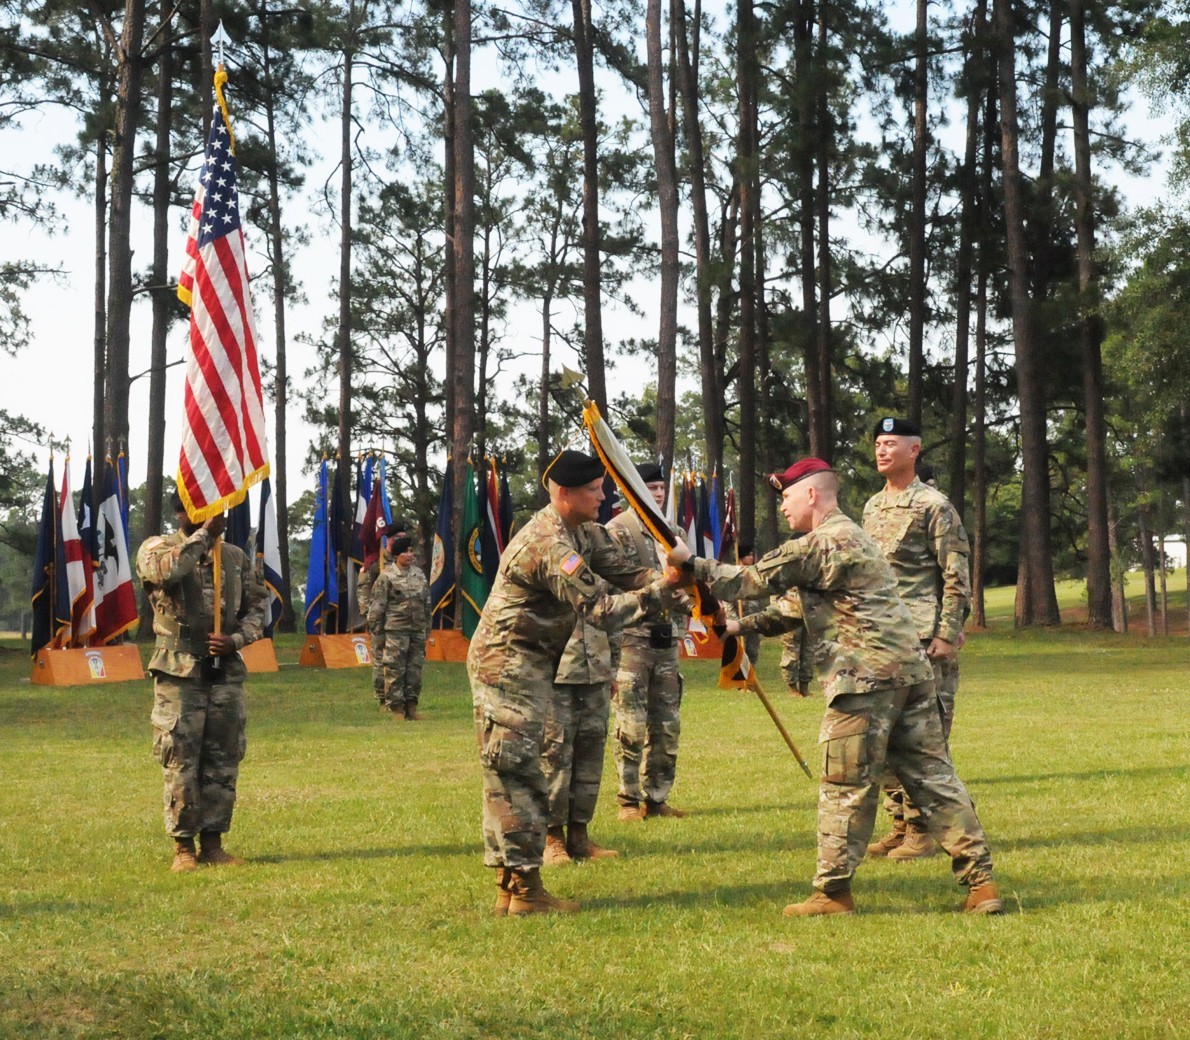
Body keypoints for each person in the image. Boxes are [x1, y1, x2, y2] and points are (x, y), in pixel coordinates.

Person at [669, 458, 1002, 917]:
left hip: (865, 681)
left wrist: (690, 563)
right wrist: (734, 630)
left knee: (844, 786)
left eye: (786, 497)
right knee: (936, 780)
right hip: (910, 675)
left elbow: (749, 579)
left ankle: (832, 893)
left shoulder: (825, 540)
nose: (782, 508)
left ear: (812, 495)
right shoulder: (848, 538)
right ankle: (981, 885)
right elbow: (790, 608)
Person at [468, 449, 686, 916]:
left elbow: (628, 573)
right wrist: (663, 591)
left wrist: (675, 577)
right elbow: (603, 610)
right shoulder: (549, 543)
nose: (605, 497)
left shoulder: (583, 532)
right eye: (594, 490)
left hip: (532, 660)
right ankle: (525, 889)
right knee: (518, 773)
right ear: (564, 494)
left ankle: (514, 886)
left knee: (516, 770)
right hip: (507, 664)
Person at [137, 492, 267, 873]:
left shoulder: (235, 557)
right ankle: (183, 847)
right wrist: (203, 537)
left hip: (224, 671)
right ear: (179, 512)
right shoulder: (157, 547)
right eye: (195, 509)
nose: (206, 515)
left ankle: (213, 843)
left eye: (212, 510)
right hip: (179, 671)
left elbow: (259, 606)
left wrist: (237, 639)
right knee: (180, 759)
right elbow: (166, 573)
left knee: (222, 760)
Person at [863, 417, 971, 860]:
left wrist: (947, 633)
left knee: (925, 739)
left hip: (926, 640)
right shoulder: (871, 506)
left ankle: (924, 831)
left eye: (891, 443)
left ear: (915, 450)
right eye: (878, 444)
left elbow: (956, 573)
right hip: (884, 639)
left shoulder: (934, 506)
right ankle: (900, 823)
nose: (882, 451)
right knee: (884, 737)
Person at [606, 462, 689, 821]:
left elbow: (688, 583)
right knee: (631, 724)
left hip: (666, 640)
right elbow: (614, 587)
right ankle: (628, 799)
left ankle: (657, 797)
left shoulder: (674, 532)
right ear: (631, 491)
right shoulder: (616, 532)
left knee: (666, 724)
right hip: (632, 639)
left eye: (660, 488)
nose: (656, 494)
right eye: (649, 488)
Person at [542, 617, 618, 865]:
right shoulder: (548, 576)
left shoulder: (603, 577)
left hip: (596, 674)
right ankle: (551, 838)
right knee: (555, 759)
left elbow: (613, 620)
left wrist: (613, 670)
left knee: (590, 758)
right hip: (556, 676)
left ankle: (579, 836)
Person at [367, 534, 431, 720]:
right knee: (395, 669)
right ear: (396, 555)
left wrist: (427, 625)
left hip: (417, 629)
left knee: (415, 669)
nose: (409, 555)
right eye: (405, 552)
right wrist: (376, 630)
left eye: (411, 551)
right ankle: (396, 710)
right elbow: (378, 605)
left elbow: (426, 602)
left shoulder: (419, 574)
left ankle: (412, 706)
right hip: (395, 629)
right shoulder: (387, 576)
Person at [359, 518, 409, 707]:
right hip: (380, 620)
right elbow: (363, 590)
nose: (401, 540)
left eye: (404, 537)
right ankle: (382, 697)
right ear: (388, 539)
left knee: (400, 661)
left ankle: (399, 697)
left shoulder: (405, 562)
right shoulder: (375, 562)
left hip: (401, 621)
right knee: (381, 661)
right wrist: (369, 617)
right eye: (397, 537)